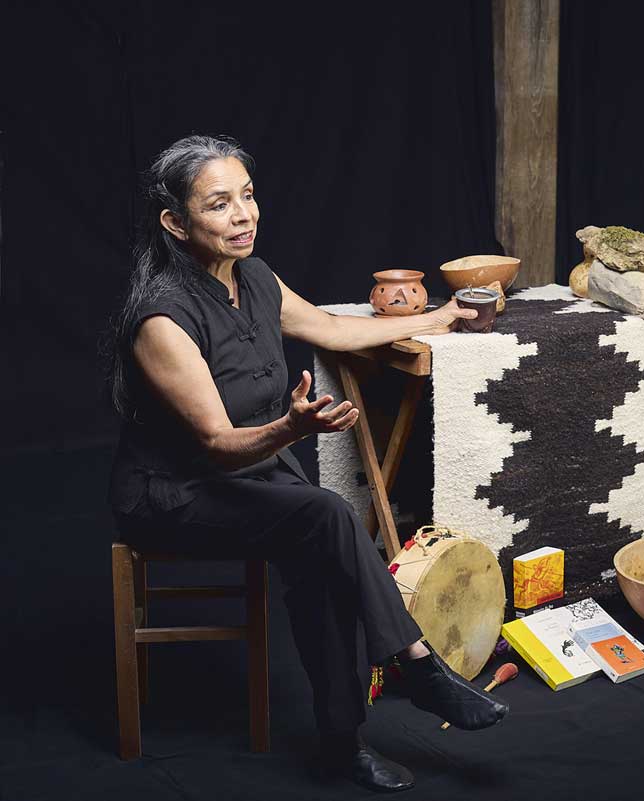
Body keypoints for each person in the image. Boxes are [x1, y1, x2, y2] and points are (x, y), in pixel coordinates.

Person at [105, 134, 506, 793]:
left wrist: (444, 316)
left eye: (248, 195)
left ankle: (349, 736)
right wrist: (290, 426)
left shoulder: (255, 278)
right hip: (173, 494)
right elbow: (215, 443)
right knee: (326, 515)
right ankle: (414, 666)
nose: (244, 214)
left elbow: (333, 329)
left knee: (326, 541)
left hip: (252, 478)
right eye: (218, 204)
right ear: (176, 223)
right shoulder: (162, 319)